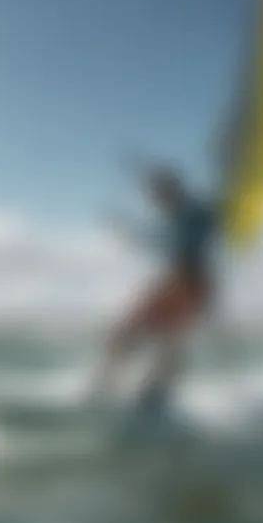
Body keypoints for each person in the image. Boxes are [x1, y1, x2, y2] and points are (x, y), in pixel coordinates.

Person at [91, 165, 218, 410]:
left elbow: (211, 220)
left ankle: (144, 392)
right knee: (153, 336)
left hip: (189, 282)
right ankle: (137, 390)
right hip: (180, 281)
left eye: (158, 193)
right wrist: (127, 230)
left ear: (171, 190)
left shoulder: (195, 212)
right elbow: (155, 240)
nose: (154, 199)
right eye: (153, 194)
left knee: (155, 335)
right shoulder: (174, 217)